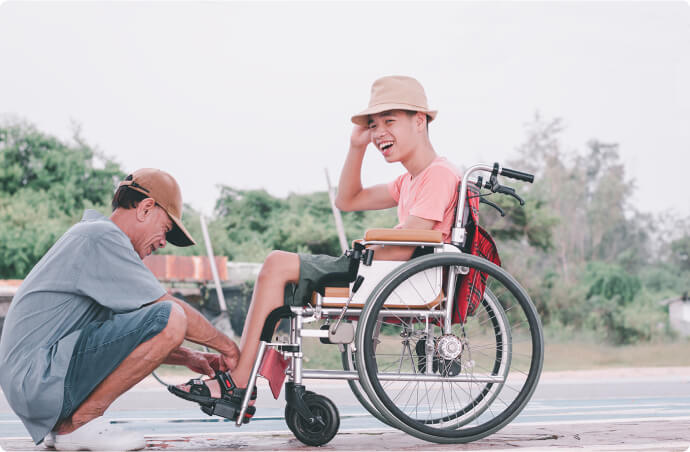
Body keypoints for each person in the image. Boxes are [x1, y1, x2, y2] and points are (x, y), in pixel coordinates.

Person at [170, 75, 461, 413]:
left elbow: (405, 246)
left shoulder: (439, 174)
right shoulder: (408, 181)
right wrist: (356, 146)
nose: (379, 131)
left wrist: (364, 252)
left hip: (394, 272)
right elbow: (347, 200)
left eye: (389, 121)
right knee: (278, 271)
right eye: (373, 124)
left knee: (278, 264)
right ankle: (242, 378)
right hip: (383, 267)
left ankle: (238, 381)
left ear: (420, 121)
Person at [0, 168, 240, 451]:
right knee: (172, 316)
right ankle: (80, 423)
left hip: (37, 380)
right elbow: (170, 314)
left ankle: (69, 425)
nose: (163, 242)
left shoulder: (94, 239)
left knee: (166, 319)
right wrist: (230, 349)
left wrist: (188, 356)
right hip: (39, 377)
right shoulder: (102, 237)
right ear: (146, 208)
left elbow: (127, 336)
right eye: (166, 229)